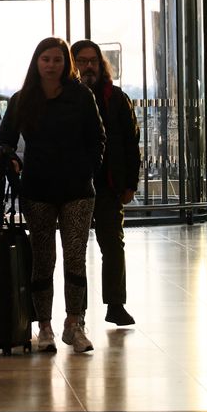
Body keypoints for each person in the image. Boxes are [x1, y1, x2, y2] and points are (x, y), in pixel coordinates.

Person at [0, 37, 105, 353]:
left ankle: (74, 322)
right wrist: (12, 165)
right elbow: (4, 141)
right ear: (37, 62)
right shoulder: (22, 99)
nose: (52, 65)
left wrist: (88, 169)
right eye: (46, 59)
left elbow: (97, 138)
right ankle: (44, 326)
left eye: (57, 59)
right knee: (43, 259)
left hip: (77, 189)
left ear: (65, 63)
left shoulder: (81, 96)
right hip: (38, 189)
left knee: (75, 257)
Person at [73, 40, 141, 325]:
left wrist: (130, 183)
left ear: (101, 65)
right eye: (82, 61)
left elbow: (131, 143)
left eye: (93, 61)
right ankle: (77, 312)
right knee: (75, 250)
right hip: (74, 184)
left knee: (113, 245)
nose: (88, 66)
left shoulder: (117, 98)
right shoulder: (66, 99)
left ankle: (115, 305)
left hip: (108, 185)